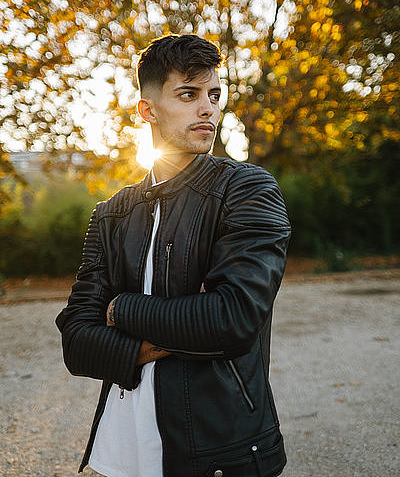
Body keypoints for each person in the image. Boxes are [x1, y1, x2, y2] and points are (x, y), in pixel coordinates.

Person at [56, 33, 291, 477]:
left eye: (214, 95)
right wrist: (185, 324)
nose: (208, 108)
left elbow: (232, 319)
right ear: (147, 109)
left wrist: (120, 308)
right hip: (121, 449)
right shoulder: (111, 213)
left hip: (219, 449)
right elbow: (75, 341)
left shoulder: (248, 190)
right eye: (188, 94)